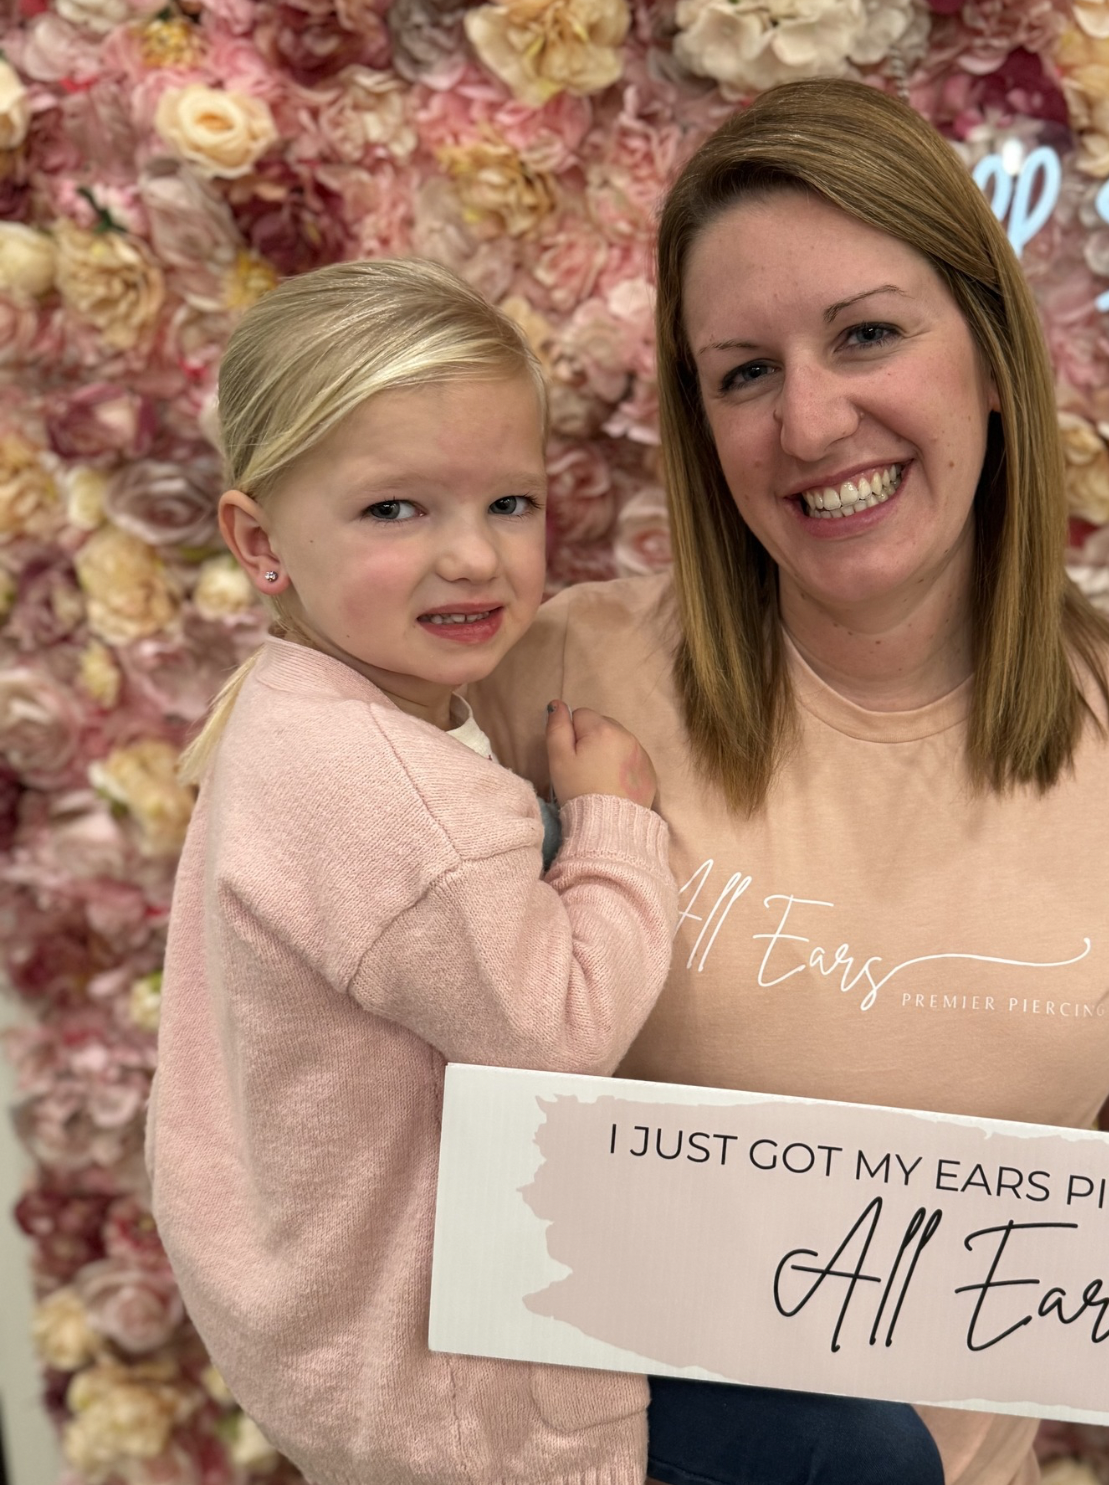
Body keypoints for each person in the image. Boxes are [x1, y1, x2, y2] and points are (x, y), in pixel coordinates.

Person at [473, 78, 1109, 1485]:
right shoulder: (546, 682)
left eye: (867, 335)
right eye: (744, 373)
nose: (810, 422)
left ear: (993, 358)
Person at [146, 257, 944, 1485]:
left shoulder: (293, 712)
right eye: (395, 511)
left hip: (324, 1318)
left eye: (508, 503)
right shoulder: (392, 789)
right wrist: (612, 823)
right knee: (867, 1455)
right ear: (262, 543)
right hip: (450, 1377)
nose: (473, 557)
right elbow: (555, 1029)